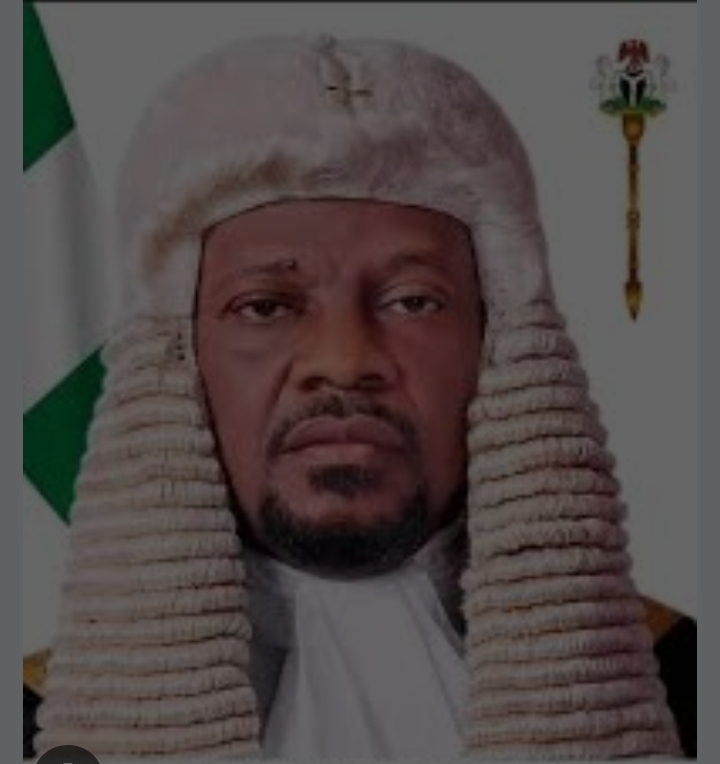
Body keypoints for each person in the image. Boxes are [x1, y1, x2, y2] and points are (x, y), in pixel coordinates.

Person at [30, 35, 695, 759]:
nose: (344, 362)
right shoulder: (36, 723)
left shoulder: (688, 682)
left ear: (501, 341)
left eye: (413, 301)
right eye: (264, 306)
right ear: (177, 356)